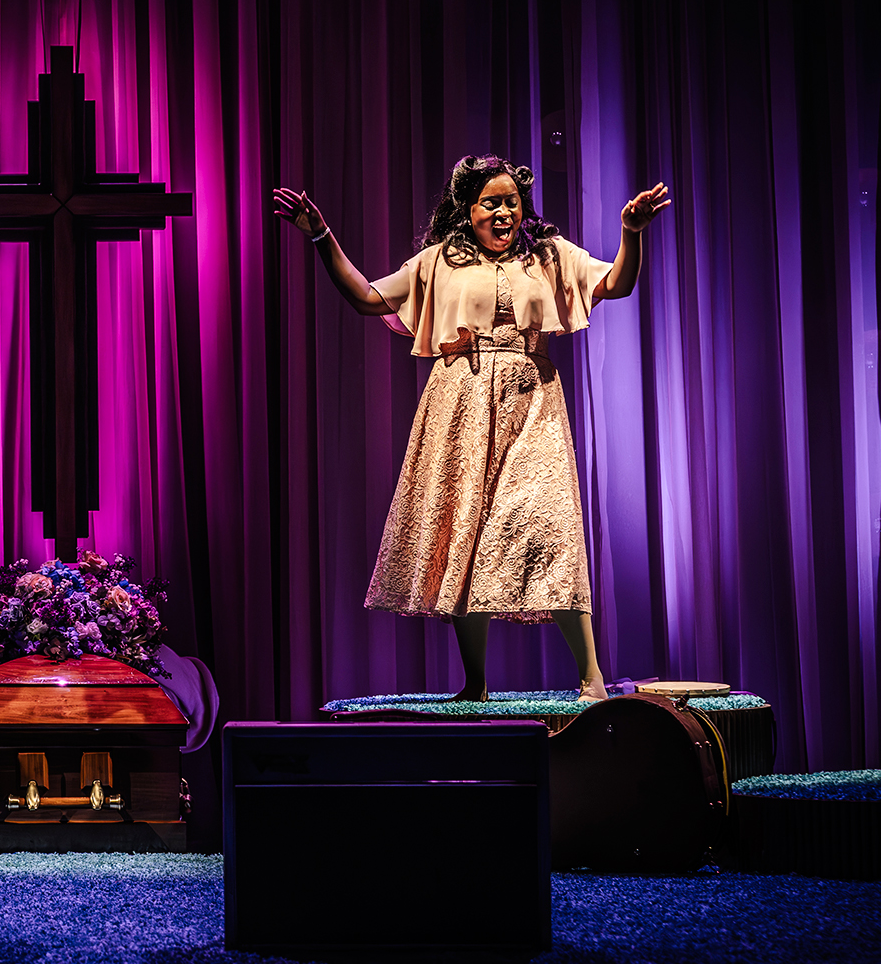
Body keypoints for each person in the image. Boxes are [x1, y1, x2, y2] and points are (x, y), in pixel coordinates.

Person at [274, 155, 669, 703]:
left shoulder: (549, 255)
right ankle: (475, 682)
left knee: (549, 522)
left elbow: (616, 284)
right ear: (468, 208)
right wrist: (321, 236)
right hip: (458, 402)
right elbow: (366, 297)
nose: (505, 212)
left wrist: (631, 235)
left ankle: (590, 675)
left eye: (512, 201)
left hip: (532, 400)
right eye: (491, 203)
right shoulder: (441, 261)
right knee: (465, 531)